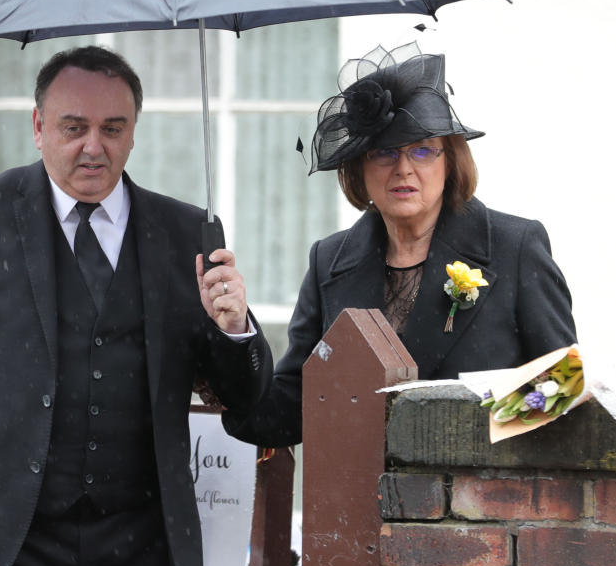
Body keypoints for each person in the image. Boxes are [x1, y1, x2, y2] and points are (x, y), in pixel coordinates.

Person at [0, 45, 272, 566]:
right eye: (74, 127)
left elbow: (245, 397)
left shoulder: (185, 232)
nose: (93, 148)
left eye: (113, 128)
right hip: (4, 548)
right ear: (38, 125)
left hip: (144, 554)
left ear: (133, 132)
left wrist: (234, 326)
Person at [223, 42, 576, 448]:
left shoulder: (515, 247)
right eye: (384, 153)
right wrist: (235, 333)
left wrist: (464, 436)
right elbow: (287, 413)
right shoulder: (329, 261)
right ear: (359, 167)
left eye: (422, 150)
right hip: (359, 504)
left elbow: (562, 383)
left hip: (475, 500)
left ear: (450, 161)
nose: (403, 168)